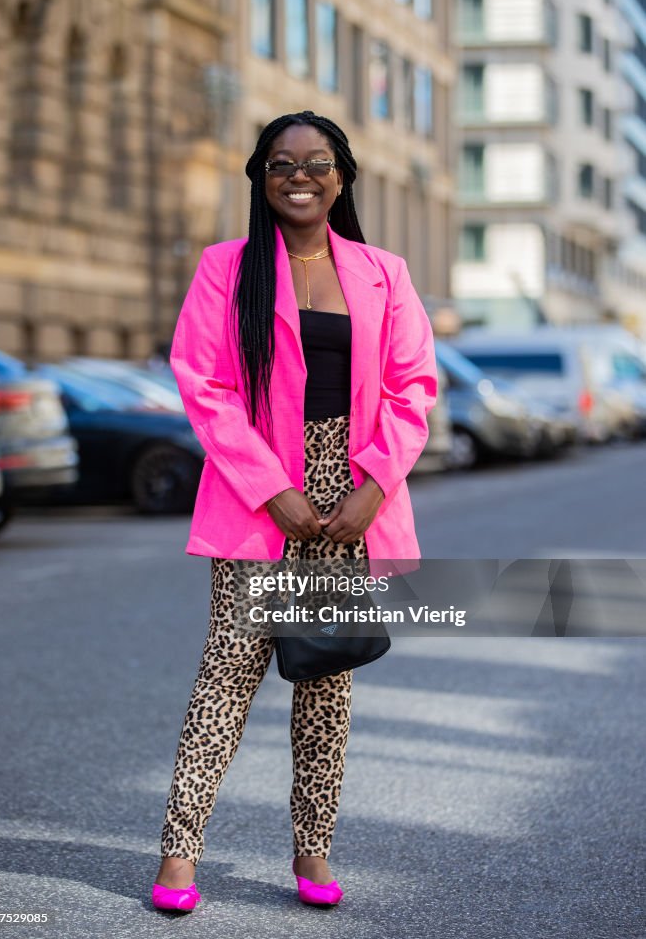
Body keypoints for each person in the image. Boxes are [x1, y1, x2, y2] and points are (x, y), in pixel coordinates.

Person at [150, 110, 438, 913]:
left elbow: (410, 388)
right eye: (280, 164)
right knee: (226, 675)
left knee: (324, 679)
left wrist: (374, 486)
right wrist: (269, 486)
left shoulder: (383, 271)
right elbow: (202, 383)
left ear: (341, 175)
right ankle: (179, 856)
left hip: (352, 497)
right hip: (259, 498)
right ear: (260, 178)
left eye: (315, 162)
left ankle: (312, 855)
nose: (298, 176)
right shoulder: (226, 268)